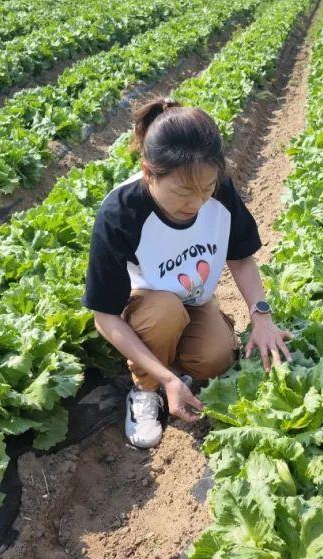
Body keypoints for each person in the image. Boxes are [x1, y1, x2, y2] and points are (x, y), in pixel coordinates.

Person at [83, 97, 292, 449]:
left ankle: (175, 363)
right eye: (182, 192)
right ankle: (145, 388)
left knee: (217, 358)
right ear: (149, 173)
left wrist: (261, 314)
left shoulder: (218, 190)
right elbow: (104, 317)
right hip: (148, 305)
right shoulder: (121, 214)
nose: (196, 203)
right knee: (163, 312)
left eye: (206, 189)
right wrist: (164, 379)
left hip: (195, 297)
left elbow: (241, 259)